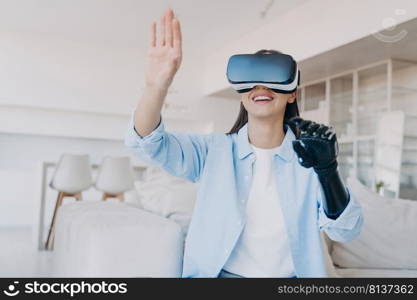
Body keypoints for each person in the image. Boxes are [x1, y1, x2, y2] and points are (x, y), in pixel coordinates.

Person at [125, 9, 363, 278]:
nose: (261, 87)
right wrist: (155, 86)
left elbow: (346, 230)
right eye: (250, 80)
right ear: (241, 94)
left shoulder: (311, 158)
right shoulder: (212, 152)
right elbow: (146, 142)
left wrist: (328, 172)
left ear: (292, 93)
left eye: (274, 79)